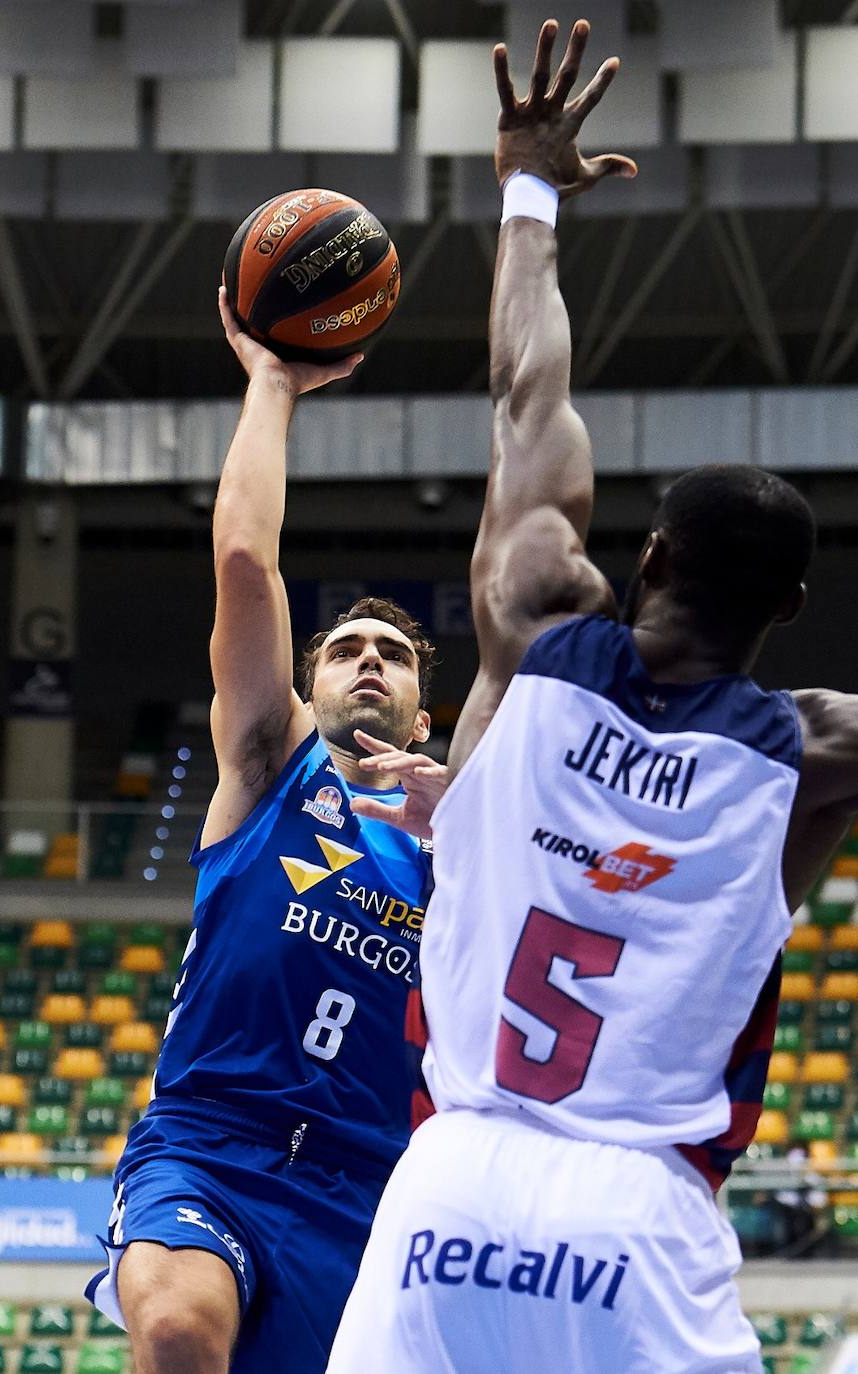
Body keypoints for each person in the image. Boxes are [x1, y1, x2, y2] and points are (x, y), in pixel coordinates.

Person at [327, 17, 858, 1374]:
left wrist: (528, 184)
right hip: (634, 1219)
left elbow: (525, 390)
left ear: (648, 557)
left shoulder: (535, 614)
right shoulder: (815, 748)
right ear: (790, 608)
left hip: (449, 1182)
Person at [86, 290, 447, 1374]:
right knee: (178, 1331)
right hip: (210, 1149)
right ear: (305, 687)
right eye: (345, 649)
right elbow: (245, 563)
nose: (369, 658)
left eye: (393, 651)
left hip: (371, 1193)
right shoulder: (266, 765)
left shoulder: (465, 844)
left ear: (425, 716)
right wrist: (273, 383)